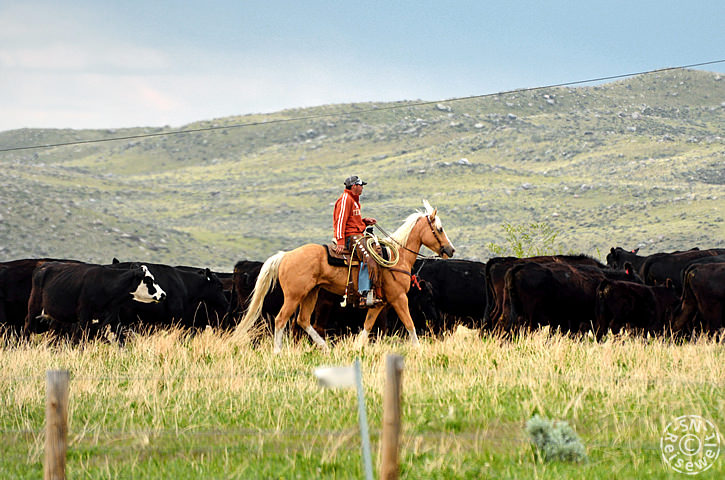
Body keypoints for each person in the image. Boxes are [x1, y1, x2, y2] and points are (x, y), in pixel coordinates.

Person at [332, 175, 382, 306]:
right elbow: (340, 221)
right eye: (361, 185)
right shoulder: (345, 199)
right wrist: (340, 241)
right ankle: (364, 293)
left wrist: (364, 222)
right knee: (369, 256)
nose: (362, 188)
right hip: (352, 237)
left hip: (357, 235)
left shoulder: (353, 200)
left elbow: (352, 221)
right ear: (354, 186)